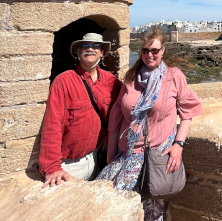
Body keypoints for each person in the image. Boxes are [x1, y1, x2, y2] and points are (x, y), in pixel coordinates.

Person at [98, 26, 203, 221]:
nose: (150, 55)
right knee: (110, 205)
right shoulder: (131, 77)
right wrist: (111, 159)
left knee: (149, 214)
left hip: (155, 157)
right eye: (146, 50)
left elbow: (187, 113)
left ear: (163, 51)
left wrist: (178, 145)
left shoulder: (174, 76)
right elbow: (116, 120)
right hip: (126, 155)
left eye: (155, 50)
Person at [40, 32, 122, 187]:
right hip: (69, 166)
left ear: (102, 52)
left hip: (96, 158)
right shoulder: (63, 82)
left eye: (96, 46)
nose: (90, 49)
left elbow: (121, 113)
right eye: (85, 45)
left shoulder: (112, 82)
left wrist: (108, 135)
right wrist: (52, 167)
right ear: (78, 52)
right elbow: (53, 125)